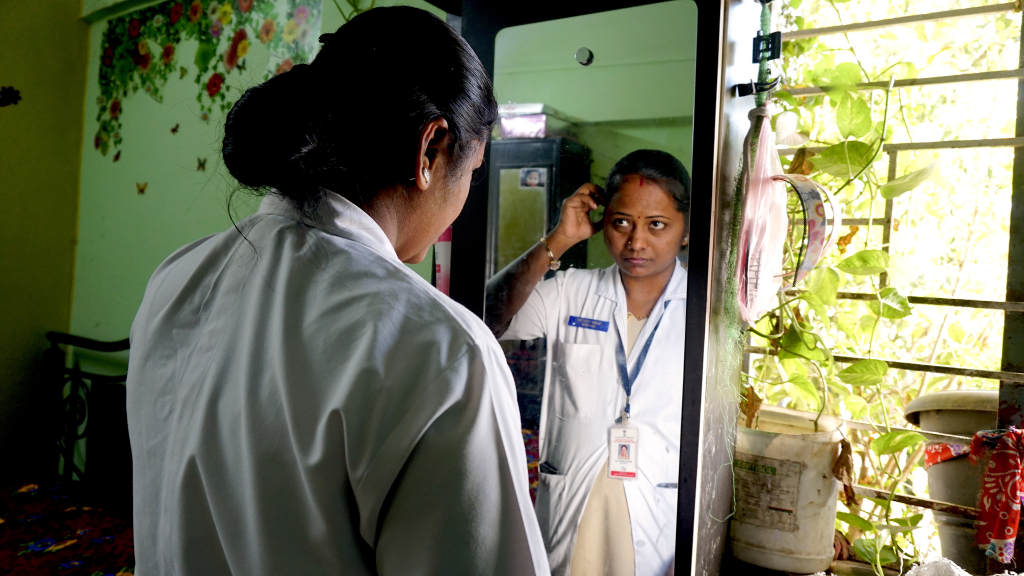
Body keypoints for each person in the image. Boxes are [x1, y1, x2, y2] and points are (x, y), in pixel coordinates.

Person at [126, 7, 548, 576]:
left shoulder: (175, 279)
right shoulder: (443, 353)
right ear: (430, 150)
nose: (462, 199)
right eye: (471, 170)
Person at [486, 150, 691, 576]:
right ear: (603, 223)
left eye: (656, 225)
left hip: (657, 519)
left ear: (685, 230)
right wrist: (559, 239)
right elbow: (488, 316)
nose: (636, 242)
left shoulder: (702, 312)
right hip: (573, 510)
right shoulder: (571, 292)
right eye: (621, 223)